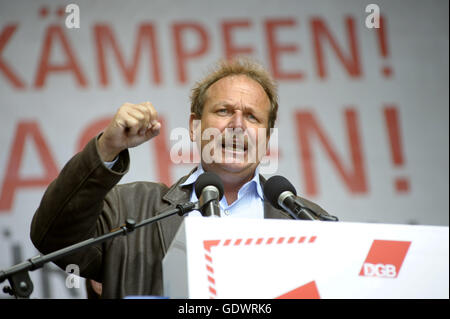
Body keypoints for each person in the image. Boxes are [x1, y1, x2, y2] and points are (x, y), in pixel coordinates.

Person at [30, 58, 330, 298]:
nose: (237, 125)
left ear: (267, 137)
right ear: (194, 126)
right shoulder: (130, 208)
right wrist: (108, 147)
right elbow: (53, 237)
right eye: (224, 111)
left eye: (252, 117)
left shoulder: (309, 223)